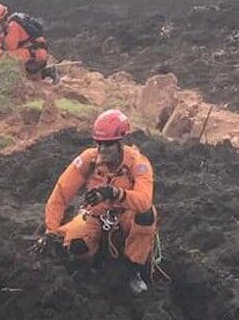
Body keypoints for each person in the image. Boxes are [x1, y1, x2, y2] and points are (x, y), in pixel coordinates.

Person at [42, 109, 158, 294]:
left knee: (146, 216)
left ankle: (132, 271)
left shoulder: (138, 163)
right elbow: (61, 193)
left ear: (121, 142)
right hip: (96, 217)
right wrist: (51, 229)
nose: (102, 150)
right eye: (99, 144)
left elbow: (144, 201)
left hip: (126, 220)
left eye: (108, 145)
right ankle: (92, 266)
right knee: (75, 245)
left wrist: (115, 193)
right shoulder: (89, 159)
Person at [2, 8, 58, 83]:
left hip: (35, 54)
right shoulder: (16, 21)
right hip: (38, 52)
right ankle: (45, 72)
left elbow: (9, 47)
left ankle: (43, 72)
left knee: (5, 58)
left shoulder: (13, 26)